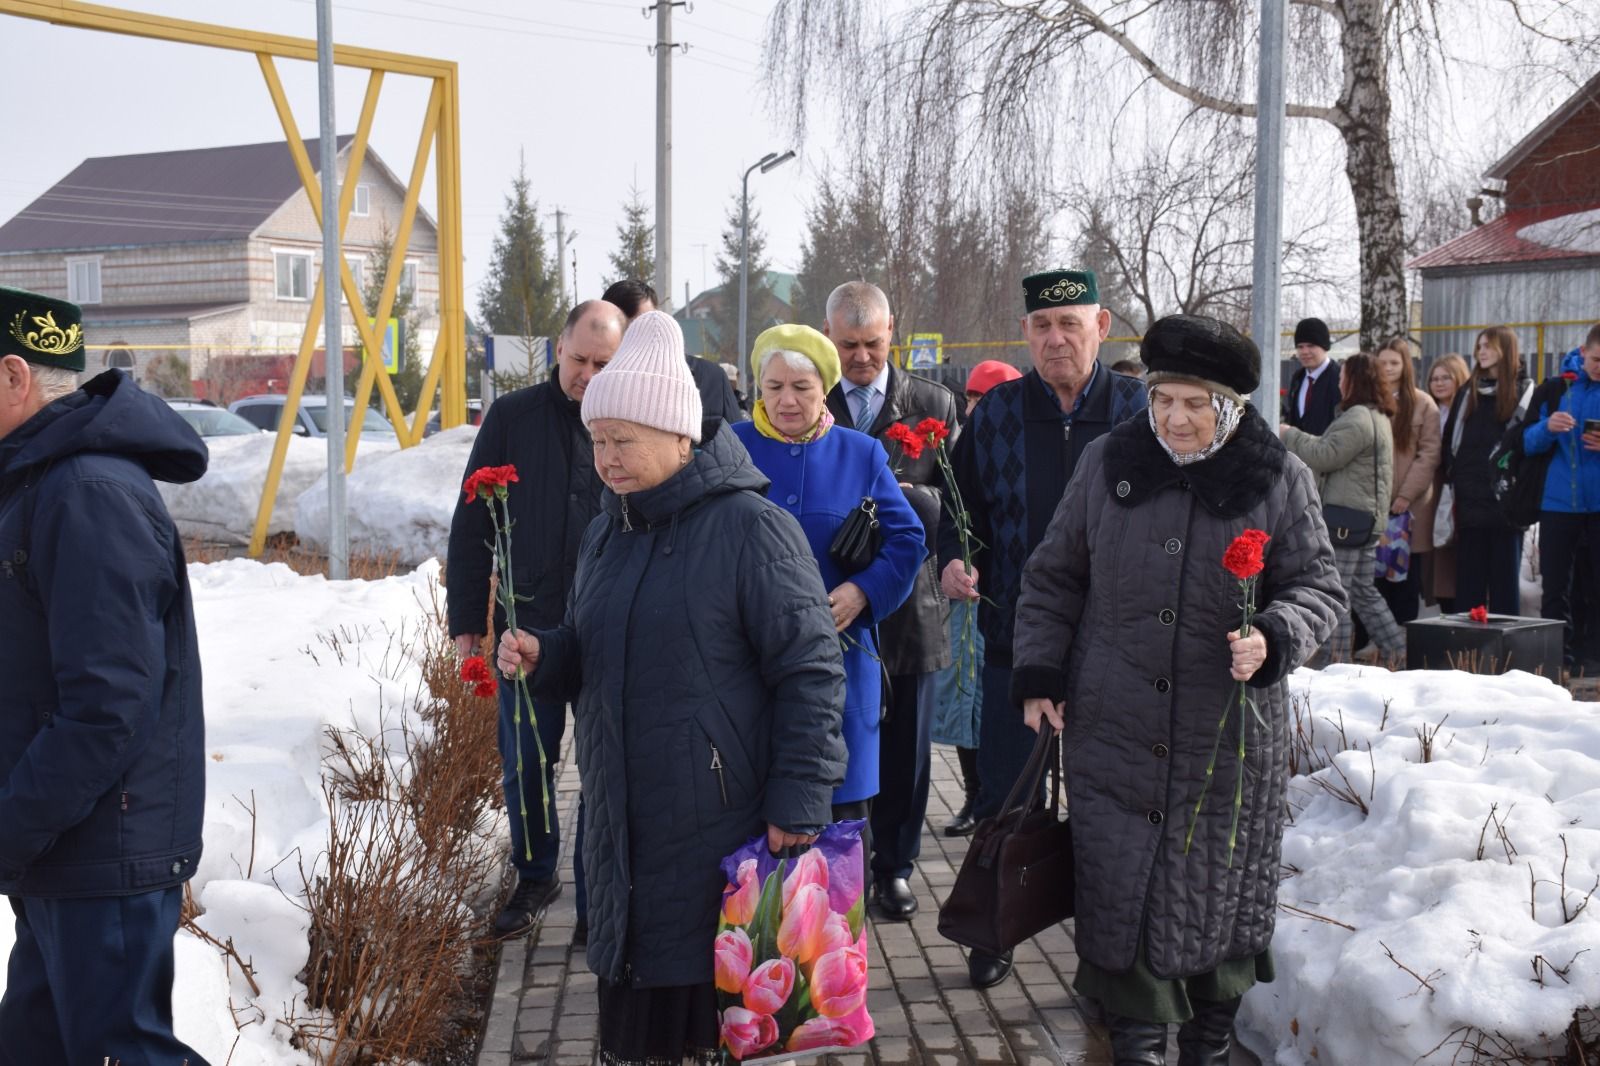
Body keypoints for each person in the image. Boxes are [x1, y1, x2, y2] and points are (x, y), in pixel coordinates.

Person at [495, 311, 847, 1064]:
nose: (605, 458)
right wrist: (545, 654)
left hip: (720, 837)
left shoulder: (752, 529)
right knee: (637, 1028)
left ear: (680, 437)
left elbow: (811, 672)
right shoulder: (608, 530)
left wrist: (800, 802)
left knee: (706, 1024)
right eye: (597, 440)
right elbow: (597, 649)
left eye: (623, 440)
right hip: (624, 828)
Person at [1011, 314, 1343, 1066]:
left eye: (1195, 403)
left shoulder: (1278, 475)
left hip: (1224, 742)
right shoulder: (1108, 462)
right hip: (1114, 730)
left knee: (1217, 910)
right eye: (1164, 400)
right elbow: (1054, 575)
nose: (1176, 418)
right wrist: (1039, 672)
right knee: (1122, 905)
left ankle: (1209, 1047)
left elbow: (1320, 586)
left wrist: (1276, 636)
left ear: (1228, 405)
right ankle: (1136, 1050)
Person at [0, 287, 211, 1064]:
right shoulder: (39, 481)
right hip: (61, 846)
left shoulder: (85, 493)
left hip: (100, 848)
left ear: (16, 377)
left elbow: (107, 706)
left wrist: (11, 825)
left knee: (120, 1052)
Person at [937, 268, 1148, 989]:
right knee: (1005, 796)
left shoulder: (1139, 412)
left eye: (1071, 324)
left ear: (1102, 325)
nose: (1057, 339)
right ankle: (996, 933)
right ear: (1026, 332)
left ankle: (1104, 955)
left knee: (1104, 808)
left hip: (1113, 645)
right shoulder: (995, 413)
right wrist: (954, 562)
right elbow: (958, 509)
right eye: (1042, 327)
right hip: (1012, 642)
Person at [447, 299, 627, 939]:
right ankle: (534, 873)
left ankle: (597, 894)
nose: (587, 374)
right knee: (526, 757)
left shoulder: (628, 420)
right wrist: (469, 614)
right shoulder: (513, 417)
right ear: (558, 348)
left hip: (608, 626)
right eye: (579, 359)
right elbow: (472, 520)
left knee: (607, 763)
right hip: (529, 621)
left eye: (603, 363)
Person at [732, 323, 924, 828]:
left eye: (802, 388)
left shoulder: (860, 453)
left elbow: (908, 540)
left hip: (841, 662)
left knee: (841, 818)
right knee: (753, 810)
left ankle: (841, 907)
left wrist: (863, 592)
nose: (787, 401)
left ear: (825, 392)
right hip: (747, 662)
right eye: (774, 388)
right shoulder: (729, 450)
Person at [819, 280, 960, 922]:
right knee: (839, 738)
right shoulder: (808, 400)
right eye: (847, 345)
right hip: (832, 606)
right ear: (829, 338)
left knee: (906, 749)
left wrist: (920, 508)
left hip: (911, 609)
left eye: (873, 343)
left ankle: (895, 869)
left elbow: (959, 507)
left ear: (892, 332)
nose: (861, 358)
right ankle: (842, 858)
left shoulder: (933, 404)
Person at [931, 359, 1021, 837]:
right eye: (971, 397)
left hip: (1010, 601)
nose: (976, 406)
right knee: (966, 701)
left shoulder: (1023, 440)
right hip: (968, 597)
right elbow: (951, 511)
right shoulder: (961, 447)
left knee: (1002, 703)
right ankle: (973, 795)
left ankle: (1013, 794)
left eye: (987, 397)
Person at [1282, 352, 1406, 663]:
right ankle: (1398, 650)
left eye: (1343, 376)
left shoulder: (1357, 417)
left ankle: (1335, 662)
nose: (1339, 381)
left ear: (1355, 381)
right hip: (1364, 519)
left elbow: (1326, 455)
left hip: (1346, 521)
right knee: (1363, 592)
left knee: (1335, 594)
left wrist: (1290, 435)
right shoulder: (1375, 416)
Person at [1523, 326, 1600, 669]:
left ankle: (1594, 655)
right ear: (1583, 352)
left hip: (1597, 505)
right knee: (1556, 585)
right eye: (1597, 359)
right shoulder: (1555, 389)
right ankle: (1557, 656)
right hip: (1557, 504)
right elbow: (1525, 443)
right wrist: (1548, 427)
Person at [1440, 326, 1531, 615]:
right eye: (1479, 345)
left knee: (1505, 590)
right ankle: (1467, 655)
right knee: (1469, 587)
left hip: (1506, 505)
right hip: (1470, 503)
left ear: (1506, 350)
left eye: (1489, 345)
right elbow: (1451, 444)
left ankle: (1507, 659)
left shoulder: (1524, 391)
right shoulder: (1469, 392)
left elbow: (1525, 448)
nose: (1482, 351)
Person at [601, 278, 744, 426]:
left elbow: (736, 445)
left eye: (645, 323)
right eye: (625, 329)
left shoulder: (711, 379)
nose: (637, 335)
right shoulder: (595, 386)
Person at [1373, 337, 1441, 626]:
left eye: (1394, 363)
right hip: (1374, 505)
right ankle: (1374, 642)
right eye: (1383, 362)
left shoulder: (1423, 403)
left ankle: (1402, 640)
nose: (1388, 368)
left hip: (1409, 510)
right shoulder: (1372, 402)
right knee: (1372, 578)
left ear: (1405, 366)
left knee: (1404, 578)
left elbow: (1429, 455)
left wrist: (1405, 494)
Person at [1423, 353, 1471, 611]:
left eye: (1445, 378)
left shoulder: (1467, 411)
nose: (1438, 384)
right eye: (1434, 379)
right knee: (1439, 556)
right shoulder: (1433, 410)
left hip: (1457, 488)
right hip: (1436, 489)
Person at [1283, 317, 1341, 435]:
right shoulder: (1298, 378)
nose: (1304, 351)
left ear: (1324, 347)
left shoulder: (1340, 379)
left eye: (1311, 346)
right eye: (1300, 346)